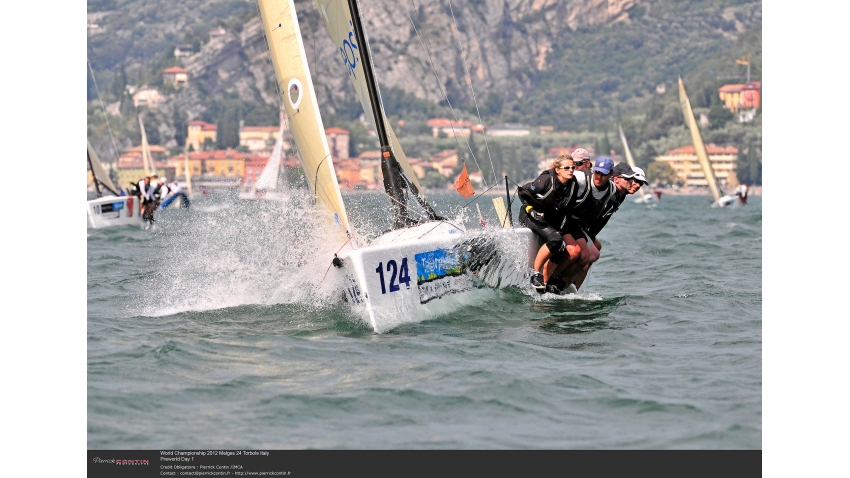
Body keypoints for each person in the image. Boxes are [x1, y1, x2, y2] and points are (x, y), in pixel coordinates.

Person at [556, 164, 645, 291]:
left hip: (583, 228)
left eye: (640, 183)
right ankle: (559, 282)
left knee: (595, 251)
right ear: (616, 179)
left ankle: (572, 287)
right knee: (589, 257)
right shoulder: (611, 192)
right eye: (633, 180)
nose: (636, 185)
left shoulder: (621, 194)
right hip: (574, 224)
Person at [544, 157, 622, 292]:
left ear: (611, 174)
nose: (599, 176)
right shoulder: (580, 178)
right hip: (560, 219)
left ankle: (559, 285)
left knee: (585, 257)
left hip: (575, 224)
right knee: (575, 252)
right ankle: (547, 280)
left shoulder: (612, 190)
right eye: (597, 172)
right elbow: (554, 177)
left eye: (604, 174)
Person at [517, 153, 582, 291]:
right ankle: (535, 275)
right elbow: (522, 192)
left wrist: (562, 230)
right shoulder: (545, 180)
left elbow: (568, 212)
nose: (571, 170)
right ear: (557, 169)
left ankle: (550, 282)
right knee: (555, 238)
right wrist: (530, 209)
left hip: (547, 219)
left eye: (573, 167)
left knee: (561, 243)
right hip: (529, 215)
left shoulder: (573, 185)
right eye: (567, 168)